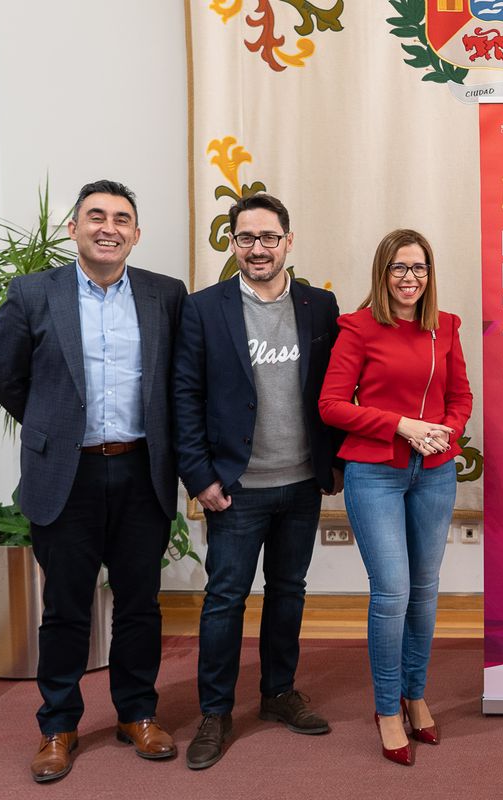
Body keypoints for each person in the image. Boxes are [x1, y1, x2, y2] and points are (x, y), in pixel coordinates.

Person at [0, 180, 187, 782]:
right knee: (67, 607)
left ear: (136, 232)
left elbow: (180, 384)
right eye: (95, 216)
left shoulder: (164, 295)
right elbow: (7, 381)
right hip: (65, 472)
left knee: (138, 604)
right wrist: (58, 427)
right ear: (73, 228)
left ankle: (137, 713)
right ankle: (58, 725)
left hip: (141, 468)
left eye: (121, 218)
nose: (109, 227)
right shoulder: (31, 293)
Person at [172, 193, 343, 770]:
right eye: (245, 238)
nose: (258, 248)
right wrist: (199, 478)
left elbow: (338, 391)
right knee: (225, 600)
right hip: (235, 489)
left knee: (289, 592)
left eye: (269, 237)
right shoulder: (202, 309)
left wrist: (333, 464)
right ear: (232, 243)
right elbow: (184, 400)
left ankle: (277, 694)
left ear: (288, 241)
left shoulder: (321, 307)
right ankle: (216, 712)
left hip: (300, 484)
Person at [319, 229, 473, 766]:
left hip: (433, 471)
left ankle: (415, 693)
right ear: (383, 273)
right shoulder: (358, 328)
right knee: (392, 592)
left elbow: (461, 397)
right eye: (400, 268)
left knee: (426, 590)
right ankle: (386, 707)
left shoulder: (446, 327)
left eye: (420, 268)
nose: (411, 278)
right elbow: (332, 405)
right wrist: (403, 425)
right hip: (375, 472)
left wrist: (443, 433)